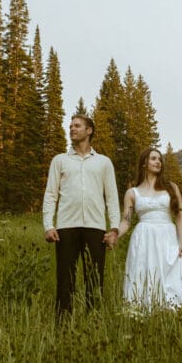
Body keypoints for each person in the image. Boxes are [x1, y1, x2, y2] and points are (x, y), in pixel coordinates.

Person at [42, 114, 121, 320]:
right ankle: (63, 325)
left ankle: (93, 323)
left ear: (89, 131)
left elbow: (111, 198)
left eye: (77, 126)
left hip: (95, 228)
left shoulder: (103, 162)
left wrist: (114, 229)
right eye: (70, 126)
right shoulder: (60, 161)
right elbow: (51, 194)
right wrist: (48, 225)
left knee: (94, 279)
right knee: (65, 279)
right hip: (66, 227)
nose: (72, 129)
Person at [117, 147, 182, 312]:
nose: (158, 161)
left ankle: (171, 312)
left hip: (167, 236)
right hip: (143, 238)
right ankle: (141, 312)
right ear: (144, 163)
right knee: (144, 272)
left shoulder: (171, 187)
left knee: (170, 276)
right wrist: (116, 234)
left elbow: (180, 216)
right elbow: (126, 221)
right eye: (153, 158)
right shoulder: (132, 192)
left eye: (160, 159)